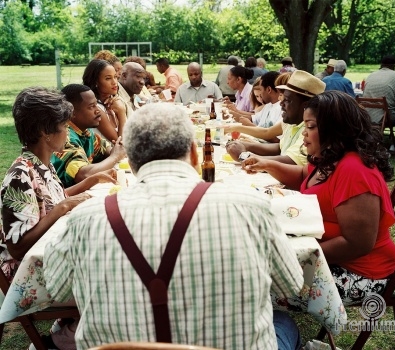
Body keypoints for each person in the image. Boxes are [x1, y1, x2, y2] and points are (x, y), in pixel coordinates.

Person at [44, 103, 304, 350]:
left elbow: (56, 289)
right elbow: (290, 286)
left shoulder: (85, 218)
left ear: (131, 163)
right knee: (283, 323)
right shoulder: (252, 205)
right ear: (194, 153)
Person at [242, 91, 395, 305]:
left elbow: (358, 243)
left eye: (311, 127)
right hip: (330, 260)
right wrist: (266, 164)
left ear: (335, 129)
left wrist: (292, 256)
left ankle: (280, 332)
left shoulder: (355, 172)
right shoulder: (331, 157)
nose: (304, 134)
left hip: (360, 272)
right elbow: (303, 177)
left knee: (252, 284)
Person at [0, 87, 116, 349]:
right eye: (64, 126)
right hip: (27, 275)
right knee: (112, 286)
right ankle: (60, 342)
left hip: (51, 261)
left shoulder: (42, 164)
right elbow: (17, 247)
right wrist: (60, 209)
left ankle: (66, 328)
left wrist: (87, 184)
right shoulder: (20, 176)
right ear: (45, 132)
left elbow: (53, 198)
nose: (68, 132)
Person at [226, 70, 325, 166]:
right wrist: (245, 145)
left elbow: (290, 161)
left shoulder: (310, 130)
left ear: (305, 106)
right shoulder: (291, 122)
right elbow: (280, 148)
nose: (281, 103)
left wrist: (245, 156)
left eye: (287, 100)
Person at [51, 84, 126, 188]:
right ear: (71, 113)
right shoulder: (65, 137)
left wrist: (117, 151)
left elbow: (108, 150)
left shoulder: (85, 132)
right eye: (91, 107)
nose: (98, 110)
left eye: (96, 105)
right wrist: (116, 156)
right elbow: (84, 175)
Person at [363, 55, 395, 154]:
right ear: (394, 66)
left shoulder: (371, 75)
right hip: (388, 116)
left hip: (368, 115)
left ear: (381, 65)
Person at [83, 59, 128, 143]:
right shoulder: (96, 109)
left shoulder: (115, 101)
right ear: (96, 82)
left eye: (115, 77)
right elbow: (121, 144)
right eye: (108, 78)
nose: (114, 82)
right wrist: (121, 112)